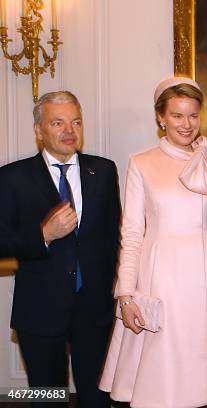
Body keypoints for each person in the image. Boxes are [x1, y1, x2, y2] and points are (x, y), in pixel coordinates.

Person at [99, 77, 207, 407]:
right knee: (162, 382)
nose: (187, 124)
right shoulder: (141, 162)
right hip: (160, 278)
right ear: (160, 118)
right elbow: (132, 234)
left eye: (193, 115)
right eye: (177, 116)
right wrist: (126, 296)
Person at [0, 91, 120, 407]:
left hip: (95, 311)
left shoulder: (104, 171)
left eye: (76, 121)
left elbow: (115, 239)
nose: (70, 130)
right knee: (47, 398)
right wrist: (42, 235)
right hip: (39, 311)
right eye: (58, 122)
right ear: (39, 130)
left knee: (96, 398)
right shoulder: (12, 177)